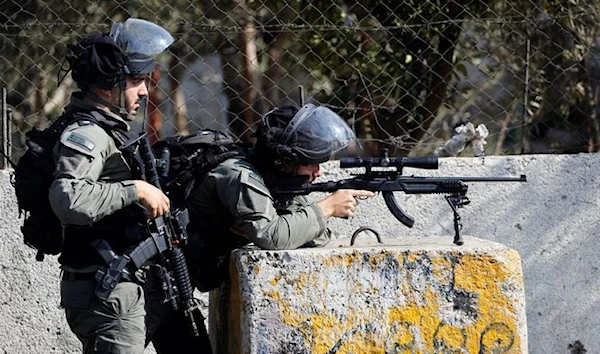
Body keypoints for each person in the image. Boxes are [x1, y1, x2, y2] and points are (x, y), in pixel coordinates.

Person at [150, 103, 375, 352]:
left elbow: (315, 237)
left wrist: (299, 217)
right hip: (146, 287)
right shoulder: (240, 174)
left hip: (174, 290)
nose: (318, 172)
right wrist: (327, 208)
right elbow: (273, 236)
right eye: (311, 163)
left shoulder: (272, 179)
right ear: (286, 161)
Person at [48, 18, 207, 354]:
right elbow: (68, 198)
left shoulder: (110, 129)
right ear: (108, 86)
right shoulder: (87, 134)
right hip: (106, 293)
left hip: (130, 285)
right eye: (136, 81)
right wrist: (135, 190)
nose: (145, 90)